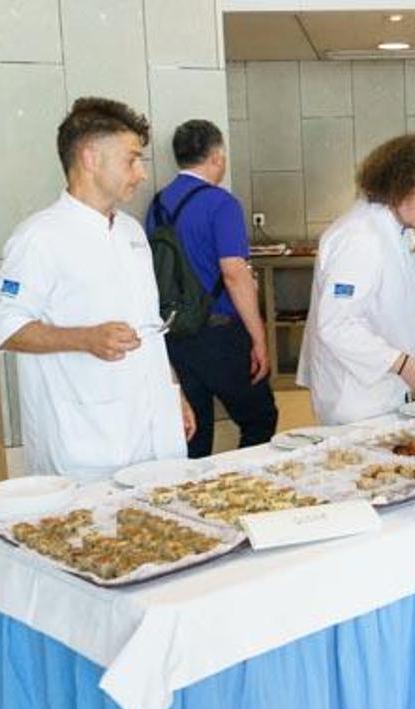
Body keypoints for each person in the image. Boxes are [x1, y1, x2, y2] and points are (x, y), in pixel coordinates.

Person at [0, 97, 193, 481]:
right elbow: (2, 327)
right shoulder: (39, 237)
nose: (142, 173)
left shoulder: (130, 231)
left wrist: (173, 391)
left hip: (154, 431)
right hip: (85, 441)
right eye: (131, 159)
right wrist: (85, 338)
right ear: (91, 158)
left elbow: (148, 324)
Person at [297, 134, 415, 424]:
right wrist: (402, 364)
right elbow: (337, 324)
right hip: (355, 396)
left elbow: (388, 298)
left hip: (381, 389)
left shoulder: (396, 229)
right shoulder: (360, 237)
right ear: (395, 186)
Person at [145, 120, 277, 458]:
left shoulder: (157, 205)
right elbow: (234, 274)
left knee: (194, 430)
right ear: (217, 156)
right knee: (260, 418)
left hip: (173, 333)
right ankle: (246, 493)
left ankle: (197, 501)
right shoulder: (222, 204)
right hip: (220, 334)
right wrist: (259, 338)